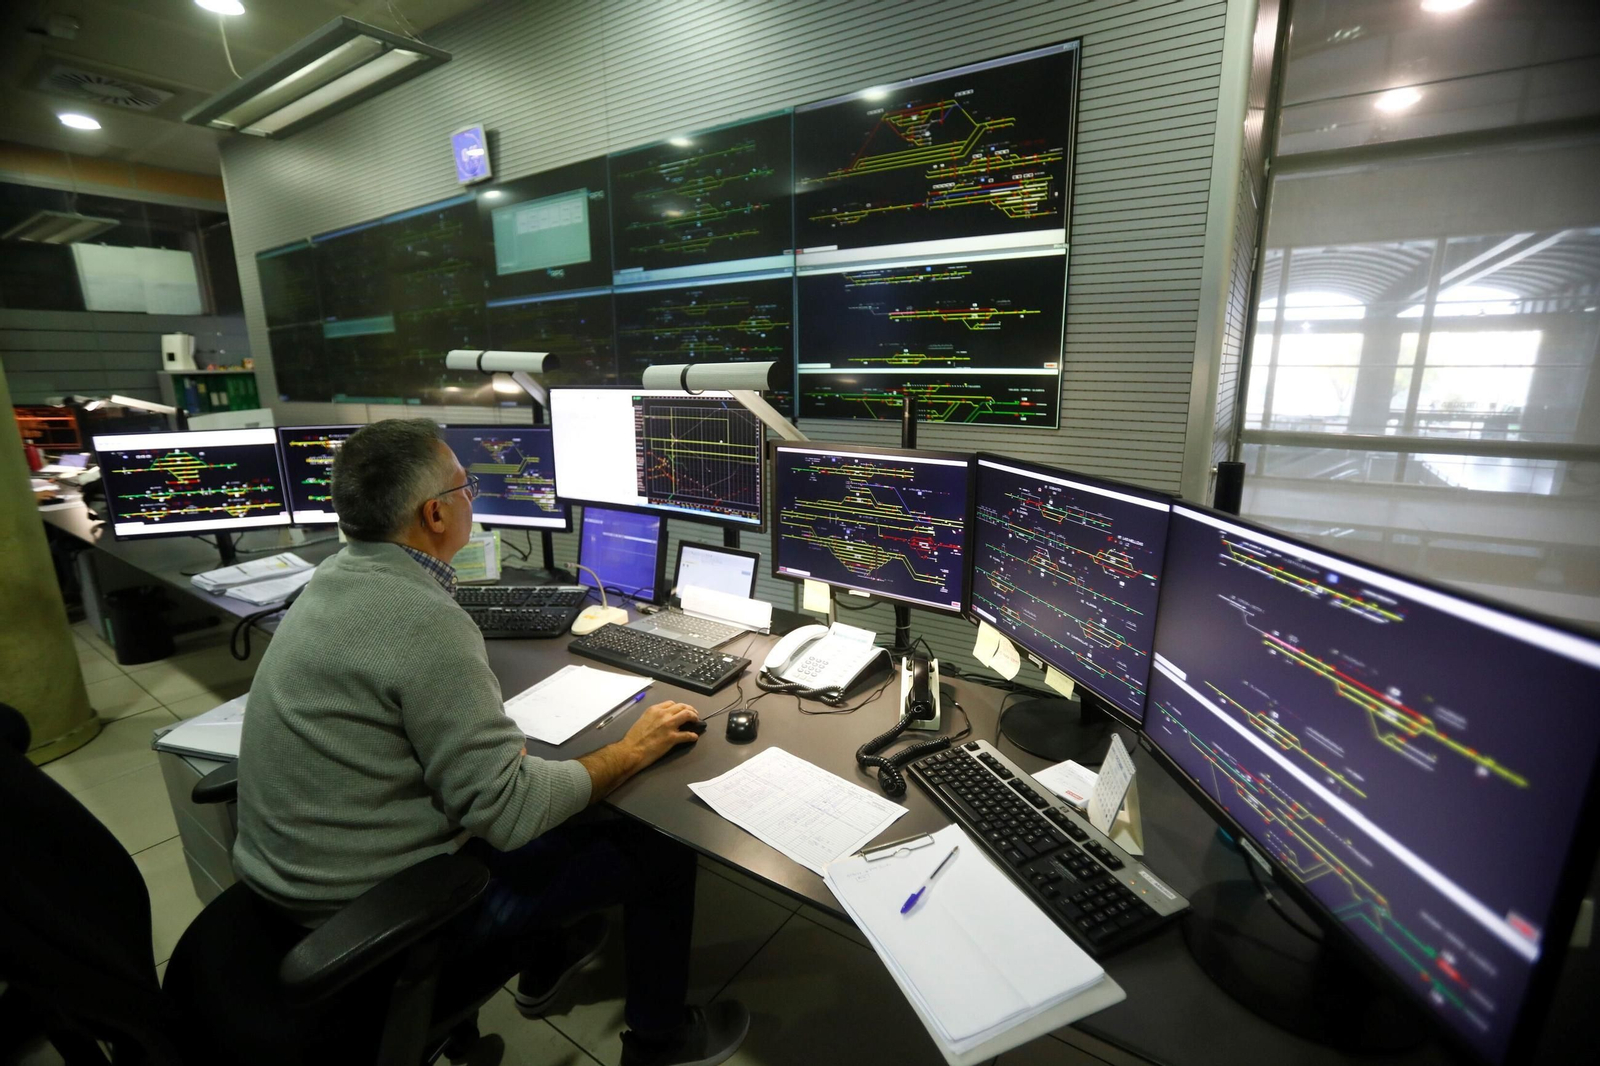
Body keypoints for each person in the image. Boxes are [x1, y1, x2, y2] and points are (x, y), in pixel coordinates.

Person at [233, 418, 748, 1066]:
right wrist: (633, 748)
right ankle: (658, 1043)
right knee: (657, 846)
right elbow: (510, 814)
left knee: (569, 792)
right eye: (466, 488)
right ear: (436, 515)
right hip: (382, 917)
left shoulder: (335, 580)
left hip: (290, 886)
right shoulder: (423, 621)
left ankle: (546, 961)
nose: (472, 499)